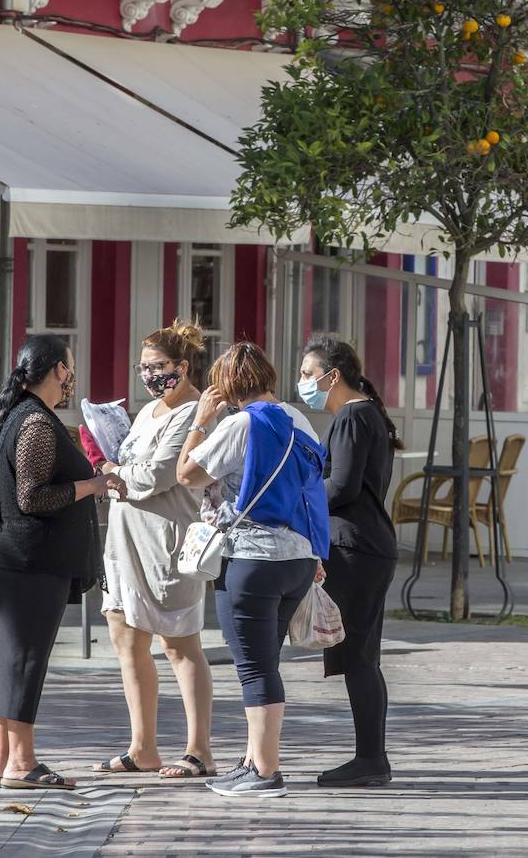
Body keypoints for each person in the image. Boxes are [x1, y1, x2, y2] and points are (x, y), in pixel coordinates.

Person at [177, 342, 328, 799]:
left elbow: (188, 473)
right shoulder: (299, 420)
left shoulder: (240, 424)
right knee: (266, 660)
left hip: (253, 559)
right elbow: (311, 489)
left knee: (254, 666)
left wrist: (201, 421)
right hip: (299, 557)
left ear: (228, 387)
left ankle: (264, 771)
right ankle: (252, 760)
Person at [0, 334, 122, 791]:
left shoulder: (21, 414)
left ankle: (3, 761)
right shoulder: (36, 421)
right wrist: (94, 485)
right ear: (58, 369)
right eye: (70, 367)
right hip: (26, 561)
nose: (73, 376)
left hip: (4, 558)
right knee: (22, 660)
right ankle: (22, 763)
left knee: (4, 659)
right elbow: (32, 497)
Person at [93, 320, 217, 780]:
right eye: (142, 367)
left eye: (156, 367)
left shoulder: (192, 414)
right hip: (124, 540)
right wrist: (117, 467)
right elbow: (129, 464)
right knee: (127, 641)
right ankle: (142, 747)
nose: (147, 375)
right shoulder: (148, 413)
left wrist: (114, 471)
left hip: (166, 543)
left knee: (179, 644)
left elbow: (159, 474)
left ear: (181, 367)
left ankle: (199, 749)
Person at [297, 334, 401, 788]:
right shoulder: (360, 415)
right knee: (361, 656)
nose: (303, 383)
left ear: (332, 375)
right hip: (362, 546)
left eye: (307, 374)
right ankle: (370, 757)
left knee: (359, 657)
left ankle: (371, 760)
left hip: (357, 548)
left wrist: (294, 498)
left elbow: (341, 487)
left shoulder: (354, 416)